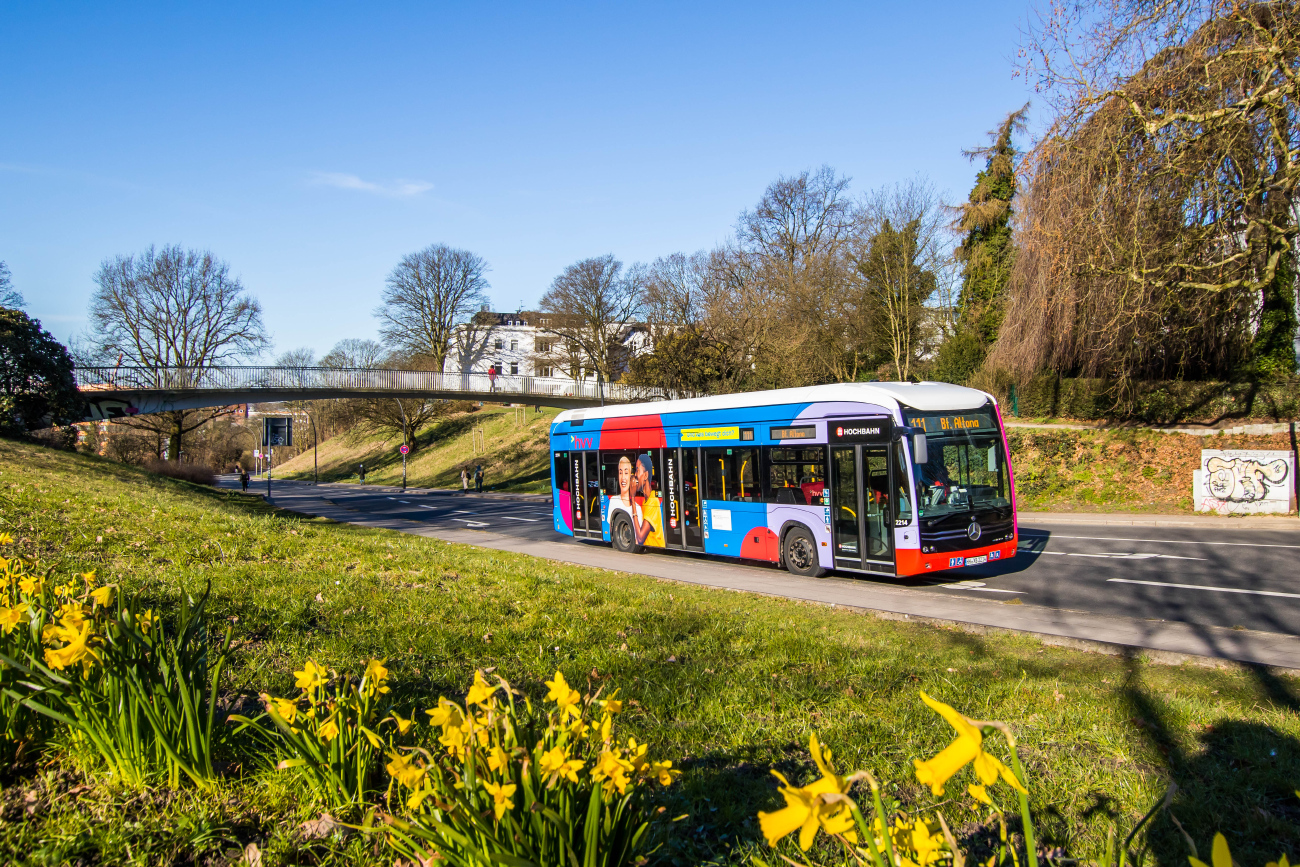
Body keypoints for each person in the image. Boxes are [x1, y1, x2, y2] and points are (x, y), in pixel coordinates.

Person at [627, 454, 665, 547]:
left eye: (637, 470)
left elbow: (640, 538)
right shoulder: (645, 501)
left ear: (645, 475)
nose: (635, 474)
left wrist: (632, 497)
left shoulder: (653, 502)